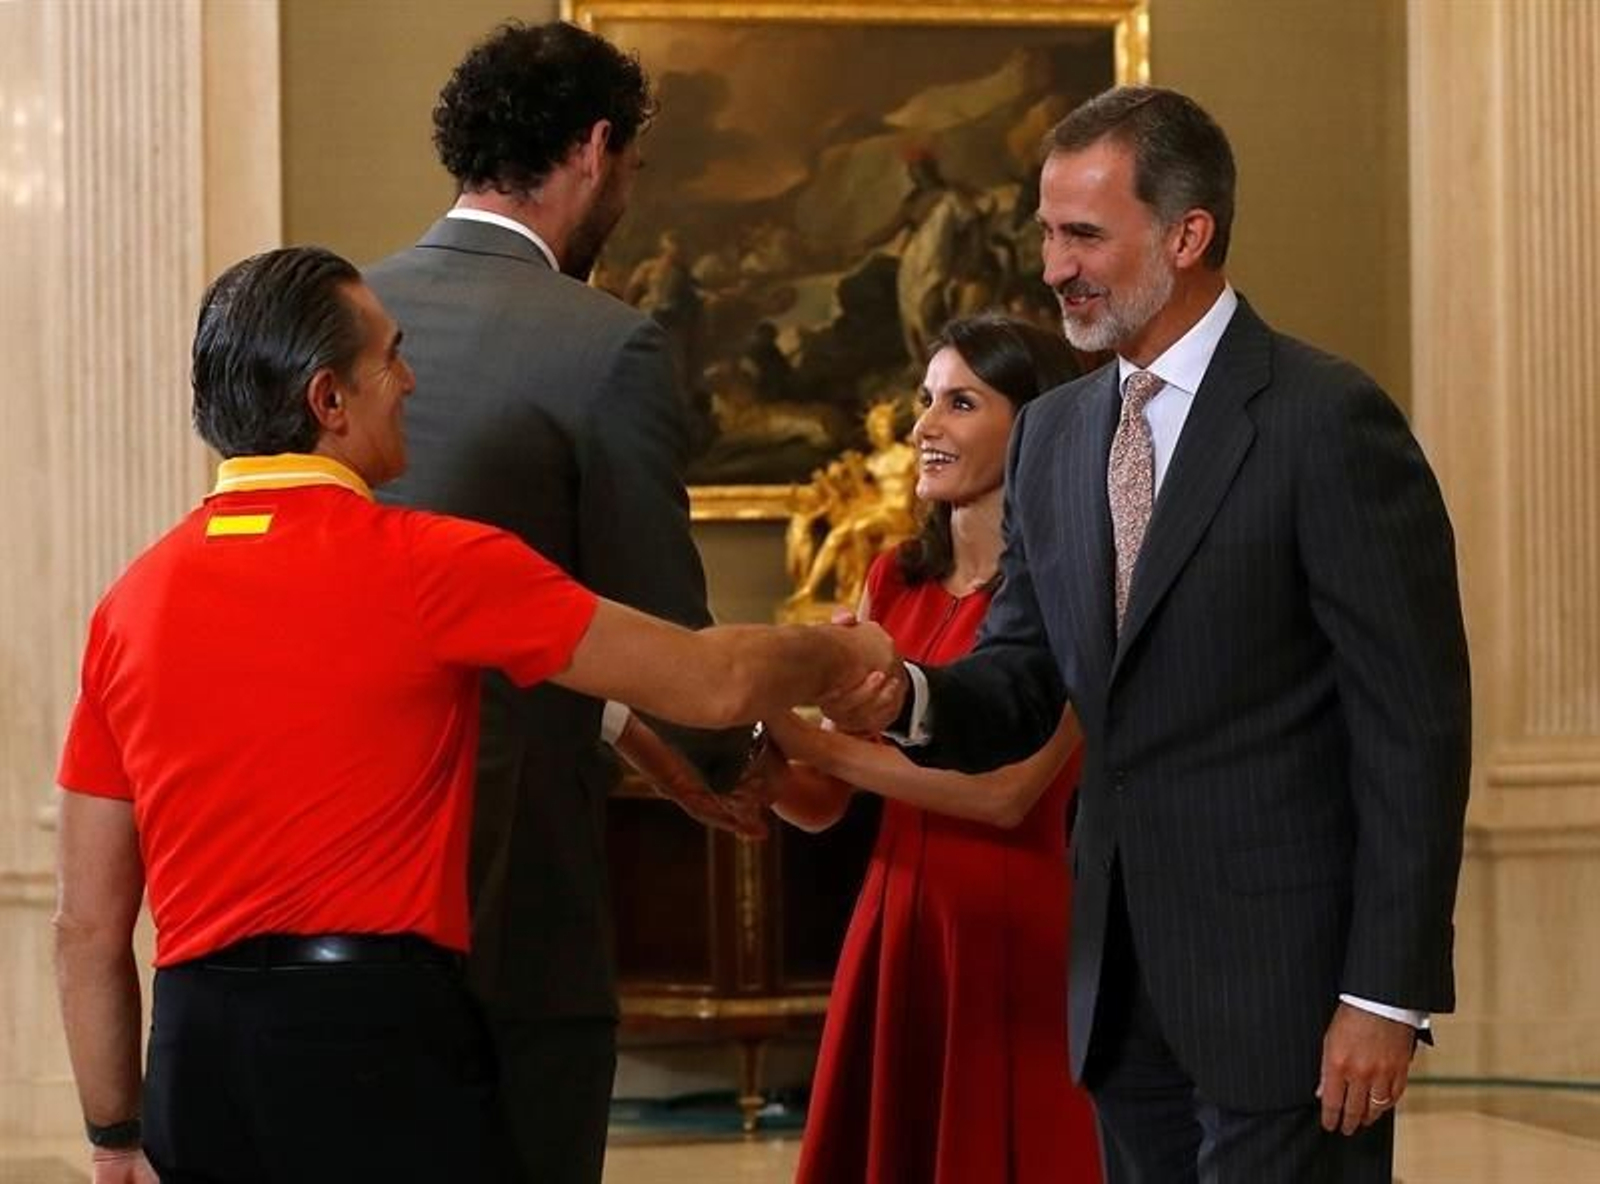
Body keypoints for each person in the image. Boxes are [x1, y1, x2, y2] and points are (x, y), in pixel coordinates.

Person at [52, 246, 898, 1184]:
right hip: (377, 1039)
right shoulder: (435, 564)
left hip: (198, 1052)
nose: (410, 382)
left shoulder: (129, 605)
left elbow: (87, 926)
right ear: (328, 401)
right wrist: (850, 651)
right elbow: (710, 681)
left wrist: (114, 1135)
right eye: (392, 360)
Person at [824, 86, 1472, 1183]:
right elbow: (1025, 674)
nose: (1051, 267)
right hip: (1117, 1004)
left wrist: (1383, 992)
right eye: (1045, 231)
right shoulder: (1057, 437)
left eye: (1083, 234)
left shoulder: (1326, 420)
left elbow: (1414, 727)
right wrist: (908, 697)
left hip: (1291, 1002)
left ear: (1187, 235)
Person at [363, 22, 752, 1183]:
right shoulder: (608, 342)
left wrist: (613, 719)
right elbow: (671, 640)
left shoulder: (339, 309)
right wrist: (742, 758)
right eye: (631, 169)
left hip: (323, 886)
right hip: (509, 894)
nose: (627, 194)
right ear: (594, 149)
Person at [760, 314, 1102, 1183]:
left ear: (1037, 425)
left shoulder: (1076, 584)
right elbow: (820, 803)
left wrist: (811, 737)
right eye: (924, 401)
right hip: (898, 928)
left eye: (960, 402)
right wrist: (749, 740)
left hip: (1024, 938)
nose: (923, 429)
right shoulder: (889, 579)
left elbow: (1007, 795)